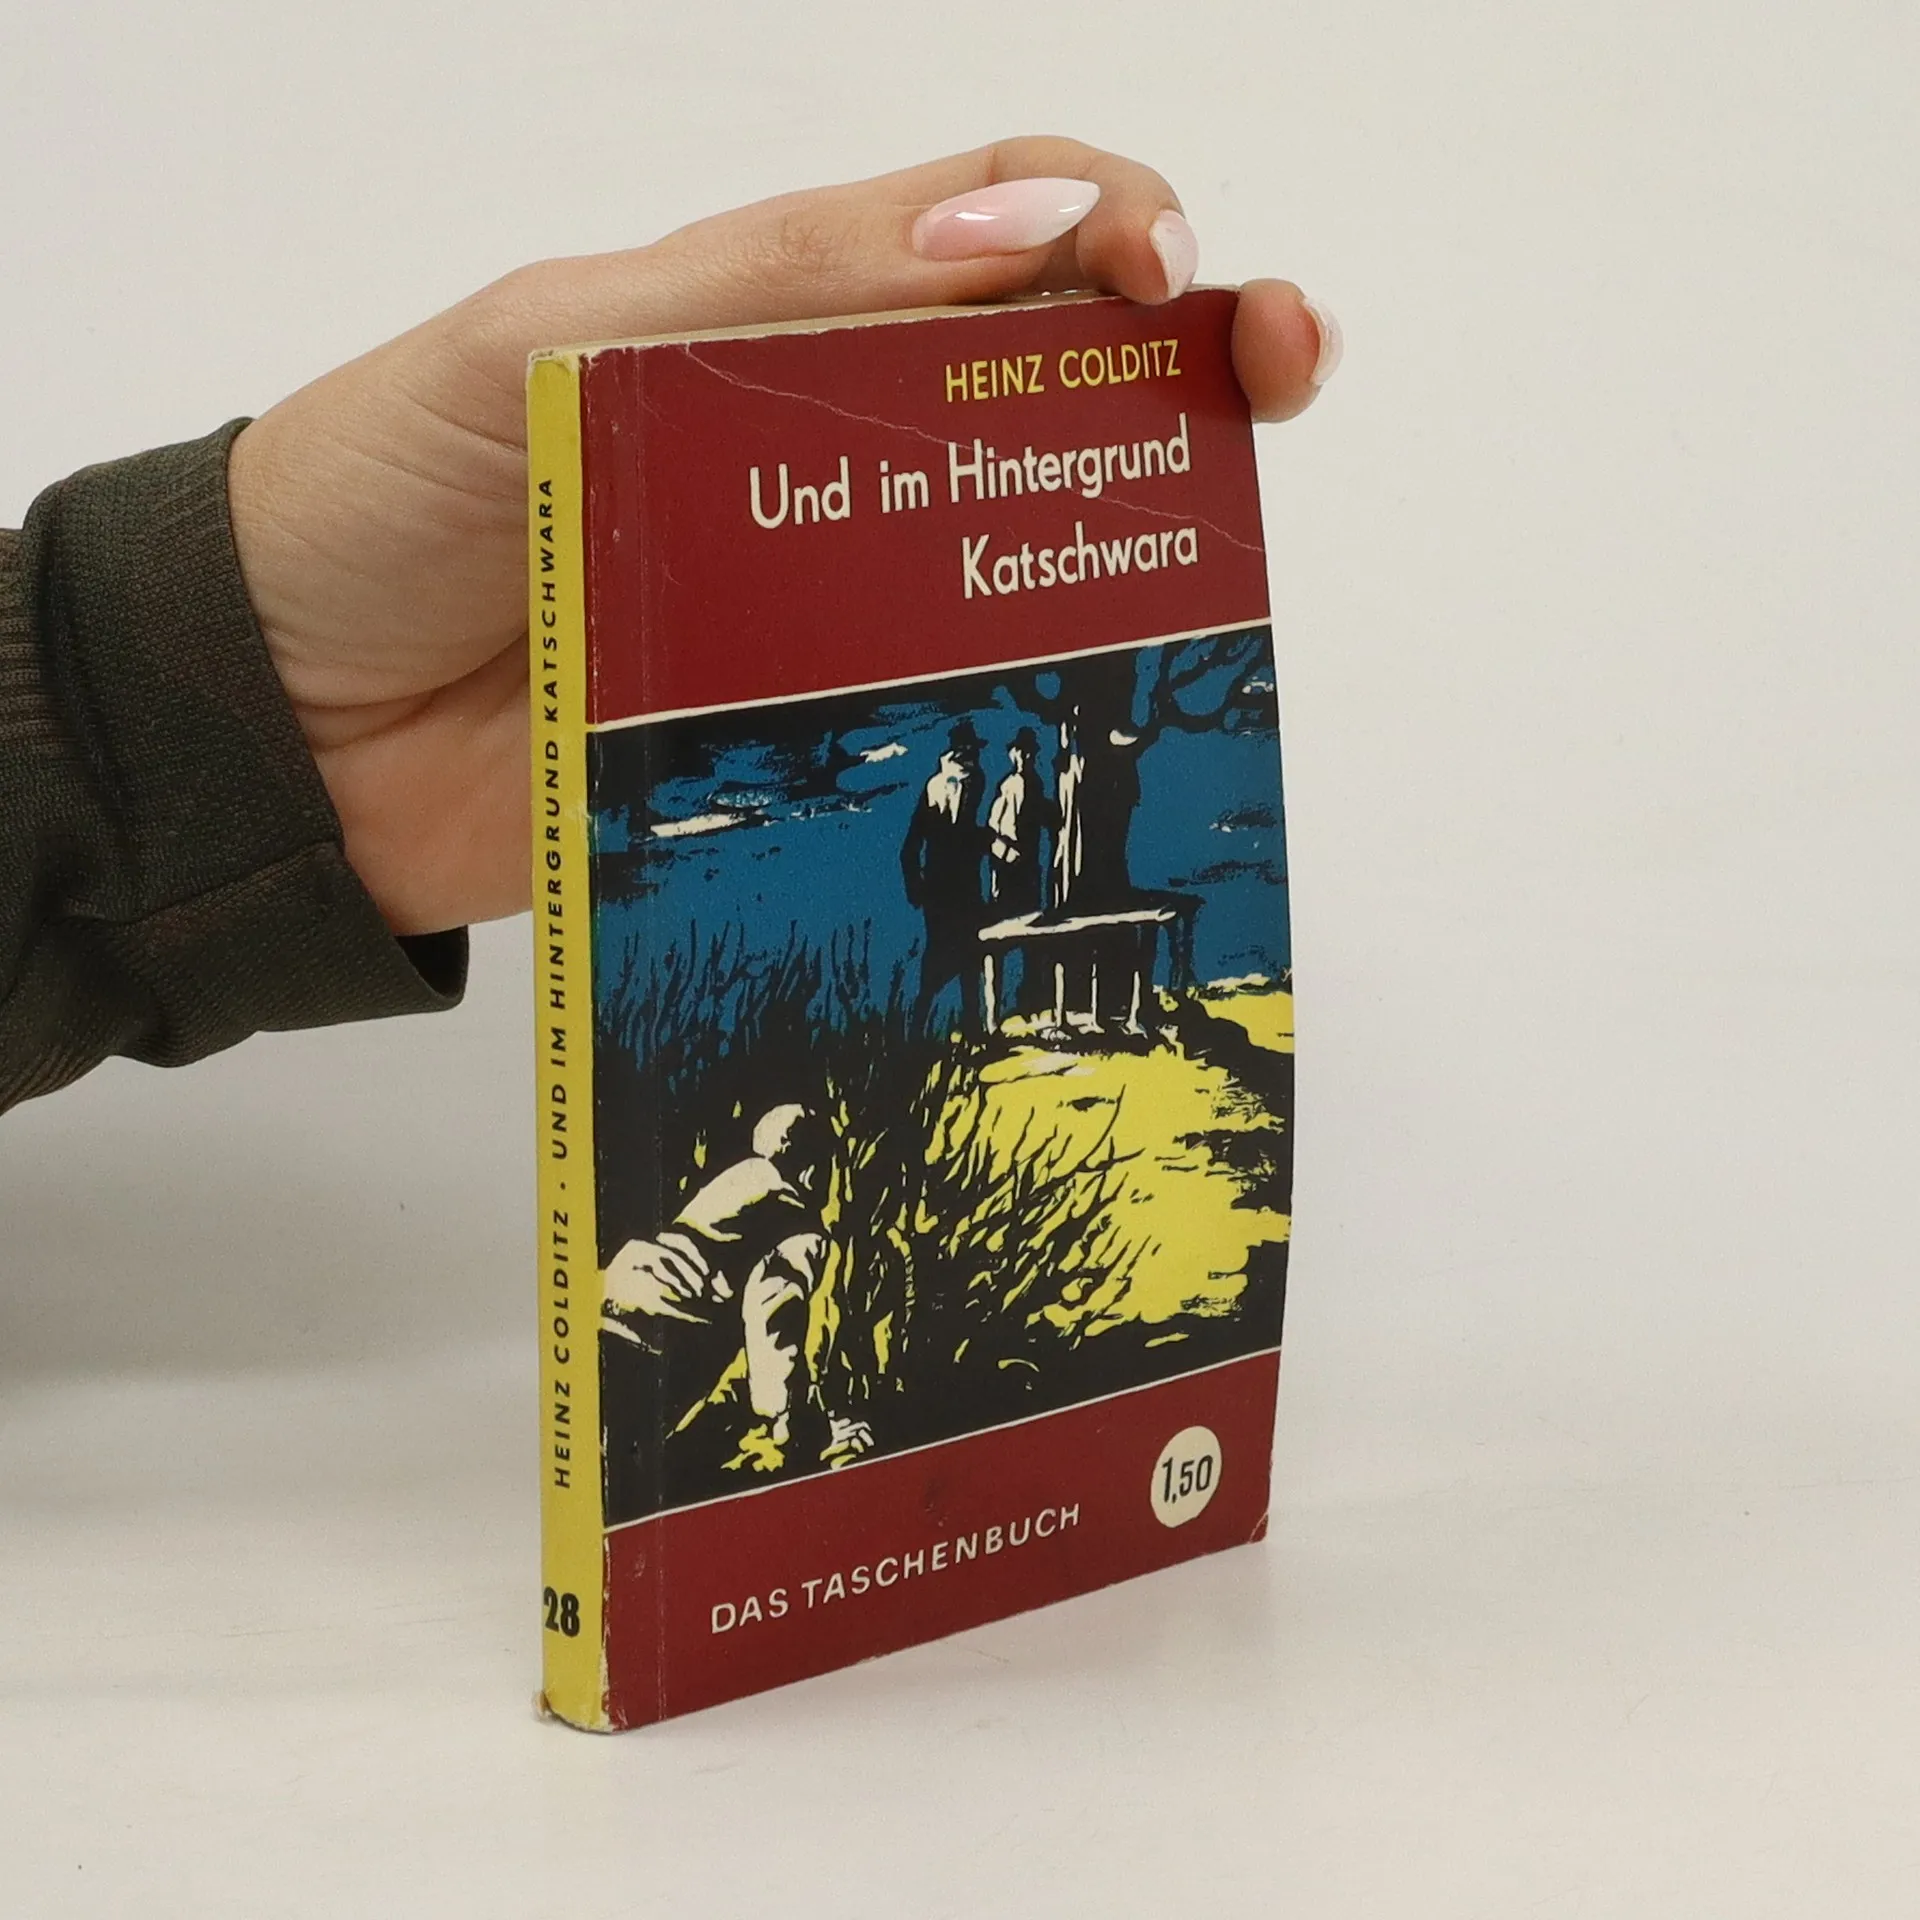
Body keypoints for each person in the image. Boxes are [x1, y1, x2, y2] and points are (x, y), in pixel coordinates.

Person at [0, 139, 1342, 1115]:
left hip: (1005, 880)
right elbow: (965, 842)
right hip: (966, 899)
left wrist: (134, 682)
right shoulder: (973, 790)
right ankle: (966, 1045)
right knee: (951, 972)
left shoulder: (1055, 760)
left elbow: (1056, 803)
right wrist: (125, 679)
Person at [602, 1104, 829, 1453]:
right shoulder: (793, 1216)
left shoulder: (741, 1178)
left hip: (623, 1292)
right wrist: (787, 1415)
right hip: (664, 1328)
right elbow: (773, 1298)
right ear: (812, 1166)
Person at [901, 720, 990, 1024]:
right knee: (943, 959)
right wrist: (916, 887)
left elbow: (920, 842)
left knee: (967, 957)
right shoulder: (950, 784)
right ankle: (921, 1026)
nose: (974, 757)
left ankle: (967, 1028)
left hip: (957, 886)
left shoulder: (966, 780)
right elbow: (920, 841)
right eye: (969, 751)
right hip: (946, 888)